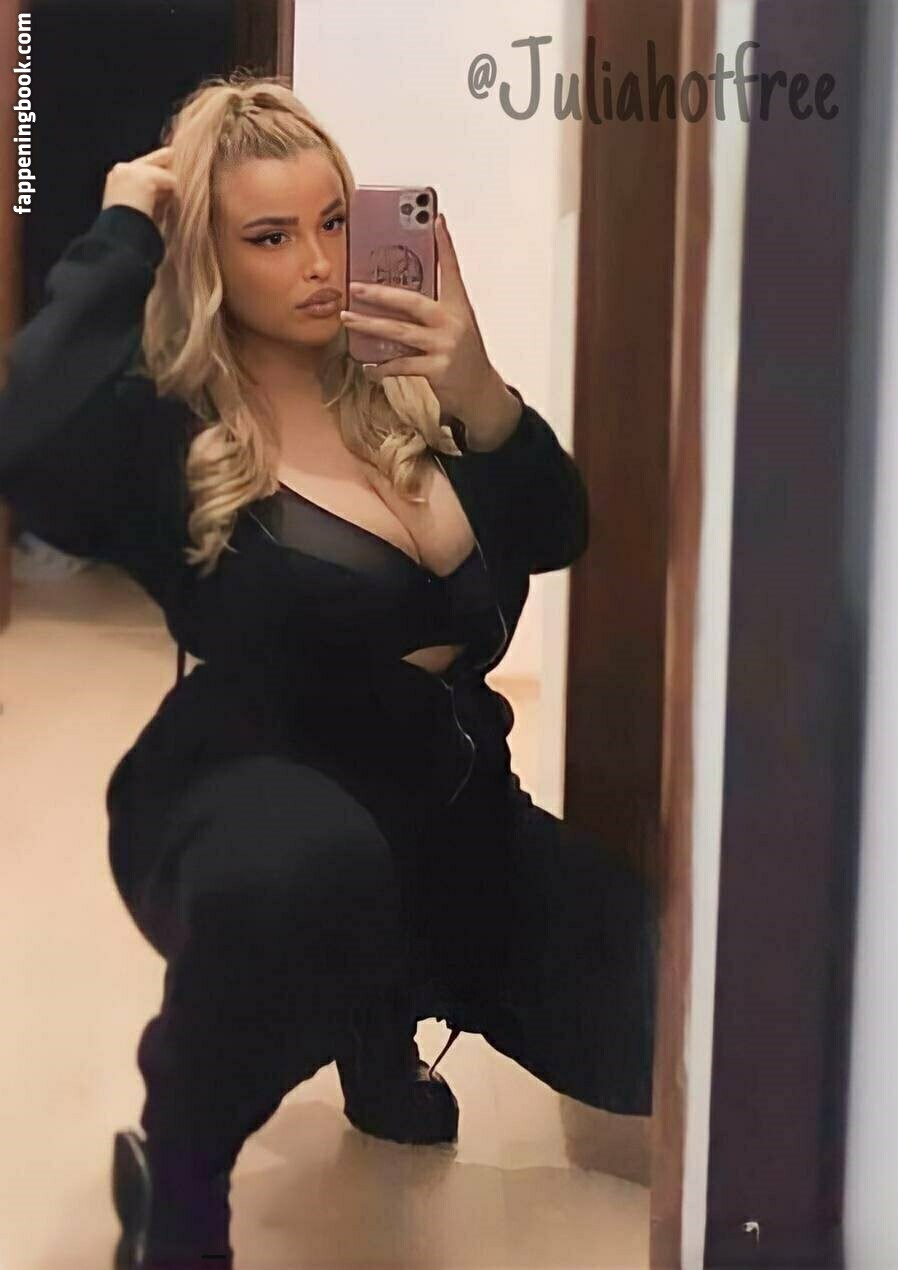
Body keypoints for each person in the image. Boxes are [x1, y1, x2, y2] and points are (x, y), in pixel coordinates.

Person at [0, 72, 658, 1270]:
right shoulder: (170, 426)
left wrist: (478, 388)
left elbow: (556, 530)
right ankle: (179, 1172)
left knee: (662, 1029)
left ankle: (379, 1010)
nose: (316, 262)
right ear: (209, 255)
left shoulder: (405, 382)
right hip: (254, 797)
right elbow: (22, 436)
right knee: (312, 878)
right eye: (268, 236)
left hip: (455, 808)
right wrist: (121, 232)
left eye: (335, 221)